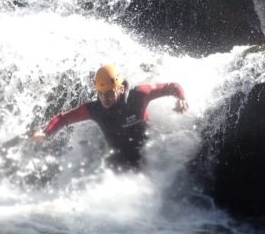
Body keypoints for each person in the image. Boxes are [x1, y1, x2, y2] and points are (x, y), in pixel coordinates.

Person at [32, 64, 188, 169]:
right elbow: (64, 118)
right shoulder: (94, 109)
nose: (104, 98)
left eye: (108, 93)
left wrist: (181, 98)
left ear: (120, 89)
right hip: (120, 159)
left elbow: (171, 87)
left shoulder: (139, 95)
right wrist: (46, 133)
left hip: (150, 152)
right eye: (100, 93)